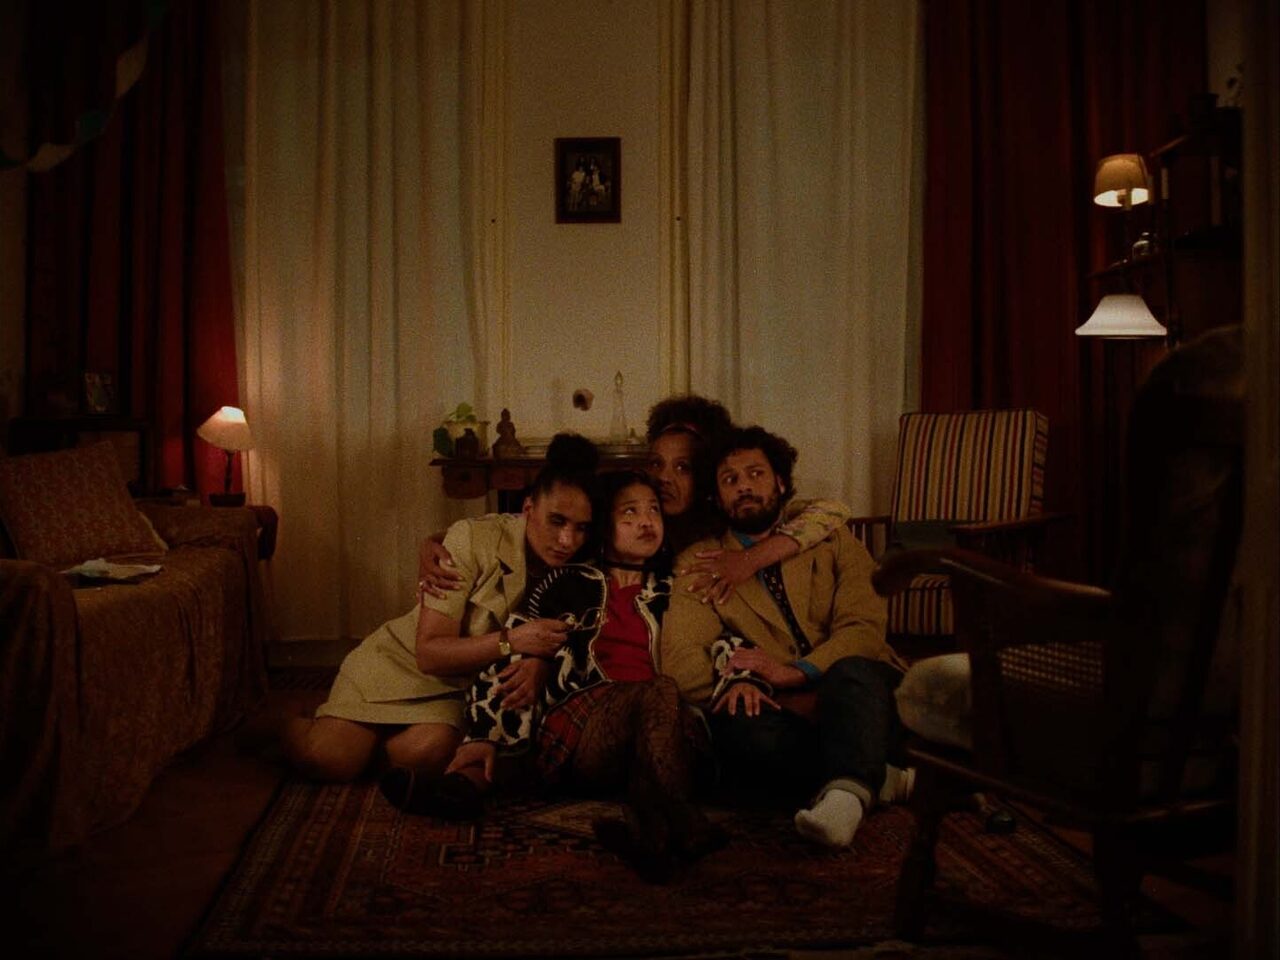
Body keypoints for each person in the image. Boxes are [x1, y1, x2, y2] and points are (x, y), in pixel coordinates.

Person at [393, 470, 727, 882]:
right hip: (588, 729)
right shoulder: (570, 584)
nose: (646, 522)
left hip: (663, 728)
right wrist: (525, 681)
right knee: (658, 691)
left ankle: (650, 838)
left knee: (666, 704)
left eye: (654, 511)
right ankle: (685, 822)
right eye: (629, 513)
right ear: (603, 525)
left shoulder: (674, 588)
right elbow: (519, 649)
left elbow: (714, 639)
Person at [268, 433, 598, 784]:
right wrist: (512, 641)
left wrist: (540, 659)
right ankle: (284, 721)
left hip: (458, 689)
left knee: (426, 753)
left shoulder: (586, 566)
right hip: (402, 662)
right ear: (528, 508)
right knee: (331, 759)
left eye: (580, 528)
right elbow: (428, 654)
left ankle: (355, 735)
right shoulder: (473, 538)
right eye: (556, 521)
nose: (567, 541)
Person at [659, 425, 909, 848]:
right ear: (717, 496)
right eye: (730, 479)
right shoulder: (699, 562)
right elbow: (682, 660)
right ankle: (868, 783)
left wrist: (798, 673)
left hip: (855, 685)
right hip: (780, 710)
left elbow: (864, 628)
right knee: (741, 733)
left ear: (779, 482)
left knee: (855, 673)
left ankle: (848, 789)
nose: (744, 487)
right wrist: (753, 684)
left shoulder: (831, 538)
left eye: (755, 474)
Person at [419, 394, 854, 607]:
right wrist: (440, 541)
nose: (664, 478)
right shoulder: (630, 511)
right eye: (657, 464)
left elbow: (832, 510)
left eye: (682, 468)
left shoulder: (731, 519)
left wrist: (752, 558)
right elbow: (538, 522)